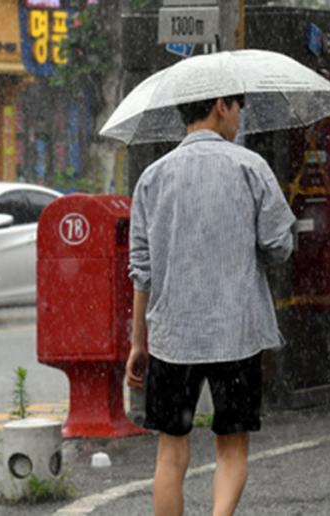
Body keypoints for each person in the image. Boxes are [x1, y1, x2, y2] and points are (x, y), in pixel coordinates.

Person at [125, 93, 296, 516]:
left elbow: (141, 270)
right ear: (222, 105)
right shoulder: (250, 166)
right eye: (238, 108)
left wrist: (137, 343)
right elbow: (279, 246)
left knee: (170, 451)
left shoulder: (152, 177)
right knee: (232, 447)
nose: (239, 119)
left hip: (171, 337)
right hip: (236, 332)